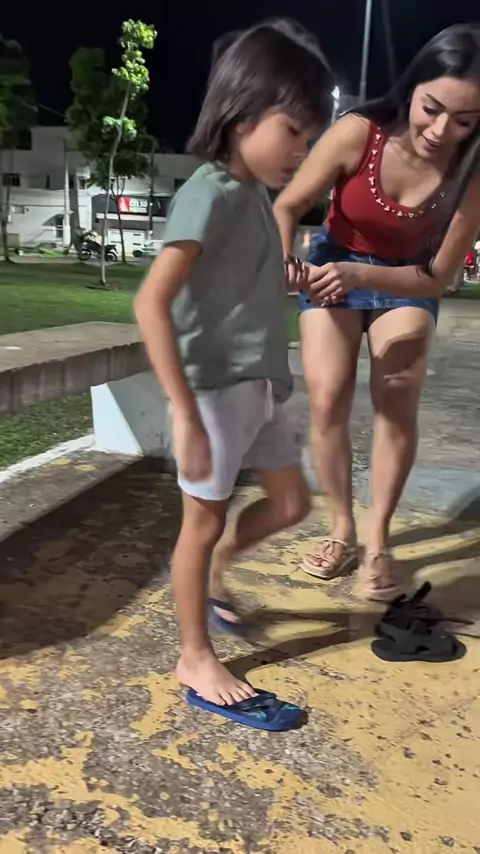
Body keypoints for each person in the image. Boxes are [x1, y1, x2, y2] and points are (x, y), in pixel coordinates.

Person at [135, 20, 332, 707]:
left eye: (310, 138)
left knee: (291, 503)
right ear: (243, 115)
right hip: (214, 392)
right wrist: (185, 415)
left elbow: (241, 280)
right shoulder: (210, 192)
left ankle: (217, 564)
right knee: (201, 524)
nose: (301, 151)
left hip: (261, 385)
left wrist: (291, 277)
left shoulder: (252, 196)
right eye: (292, 131)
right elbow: (151, 303)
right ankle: (195, 657)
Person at [274, 24, 480, 601]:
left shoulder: (472, 174)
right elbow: (288, 204)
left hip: (407, 279)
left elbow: (437, 276)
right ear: (412, 89)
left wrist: (362, 275)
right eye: (432, 109)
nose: (441, 131)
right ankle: (341, 529)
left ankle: (379, 539)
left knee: (397, 390)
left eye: (464, 121)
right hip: (333, 263)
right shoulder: (358, 133)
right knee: (327, 395)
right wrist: (285, 259)